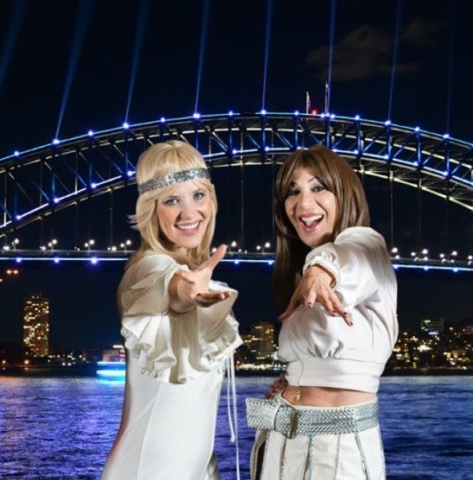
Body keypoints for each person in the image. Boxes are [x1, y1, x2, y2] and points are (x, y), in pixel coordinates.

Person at [246, 145, 398, 479]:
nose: (303, 204)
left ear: (346, 195)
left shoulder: (367, 247)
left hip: (336, 450)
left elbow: (349, 257)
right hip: (279, 443)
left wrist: (322, 270)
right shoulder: (301, 275)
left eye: (318, 188)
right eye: (292, 192)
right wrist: (293, 379)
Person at [102, 141, 242, 480]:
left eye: (198, 195)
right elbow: (167, 286)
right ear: (151, 209)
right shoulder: (147, 269)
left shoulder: (187, 267)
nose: (189, 213)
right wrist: (186, 290)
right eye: (171, 200)